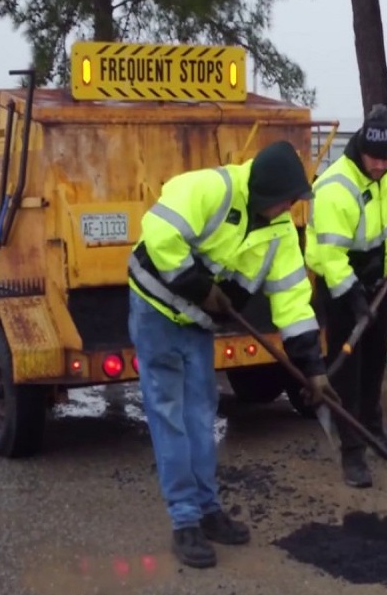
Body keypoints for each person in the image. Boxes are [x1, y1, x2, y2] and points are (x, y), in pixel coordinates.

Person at [127, 140, 335, 569]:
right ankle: (184, 521)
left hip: (199, 327)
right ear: (263, 194)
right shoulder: (210, 189)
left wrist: (312, 368)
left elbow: (294, 302)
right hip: (157, 312)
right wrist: (203, 289)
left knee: (201, 416)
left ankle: (208, 510)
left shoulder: (279, 231)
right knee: (170, 413)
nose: (288, 210)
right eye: (284, 202)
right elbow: (160, 234)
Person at [305, 104, 387, 488]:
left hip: (378, 280)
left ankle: (373, 428)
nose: (380, 166)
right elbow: (329, 257)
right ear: (361, 147)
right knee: (348, 371)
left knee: (376, 359)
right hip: (339, 282)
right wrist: (352, 297)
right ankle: (352, 453)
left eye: (386, 159)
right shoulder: (335, 188)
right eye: (373, 159)